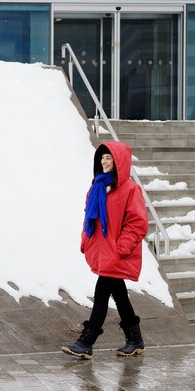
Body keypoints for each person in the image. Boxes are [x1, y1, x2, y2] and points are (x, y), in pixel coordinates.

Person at [61, 141, 148, 360]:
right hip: (102, 251)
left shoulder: (130, 189)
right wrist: (85, 240)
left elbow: (137, 223)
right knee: (119, 294)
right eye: (102, 158)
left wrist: (122, 247)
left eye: (109, 158)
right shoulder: (97, 186)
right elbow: (88, 217)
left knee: (102, 293)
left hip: (117, 252)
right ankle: (135, 339)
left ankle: (86, 342)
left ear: (119, 161)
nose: (104, 162)